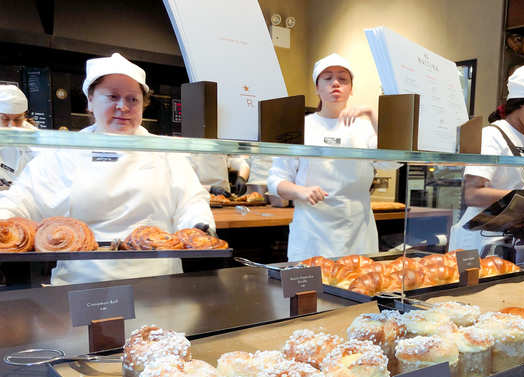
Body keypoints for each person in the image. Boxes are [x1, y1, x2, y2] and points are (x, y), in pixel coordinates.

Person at [0, 53, 215, 285]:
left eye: (132, 99)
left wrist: (199, 227)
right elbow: (22, 199)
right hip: (83, 282)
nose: (123, 107)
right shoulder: (65, 152)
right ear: (90, 101)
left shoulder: (164, 152)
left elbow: (191, 201)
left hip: (157, 281)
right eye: (112, 96)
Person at [267, 53, 379, 261]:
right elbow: (275, 181)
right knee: (311, 291)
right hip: (312, 232)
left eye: (343, 79)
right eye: (327, 78)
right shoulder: (300, 127)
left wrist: (372, 113)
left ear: (351, 88)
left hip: (358, 232)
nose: (335, 83)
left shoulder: (365, 128)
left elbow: (391, 161)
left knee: (358, 289)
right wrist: (300, 191)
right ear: (317, 87)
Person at [448, 65, 524, 253]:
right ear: (520, 103)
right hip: (480, 238)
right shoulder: (491, 136)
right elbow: (472, 194)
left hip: (512, 238)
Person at [0, 84, 37, 184]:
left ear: (24, 116)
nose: (12, 126)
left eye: (17, 119)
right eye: (5, 119)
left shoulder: (35, 142)